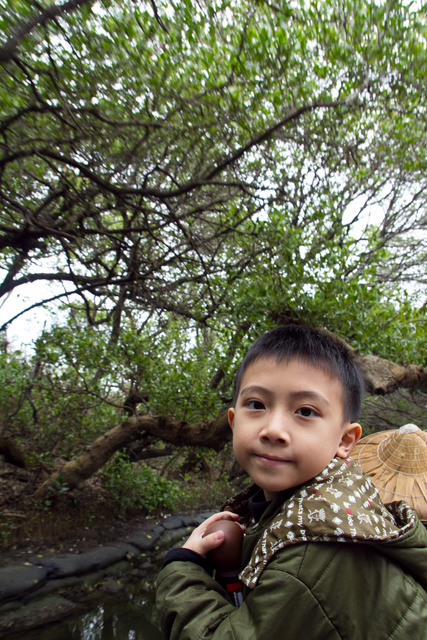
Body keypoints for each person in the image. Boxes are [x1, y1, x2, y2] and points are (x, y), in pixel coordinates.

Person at [156, 325, 427, 639]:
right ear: (233, 421)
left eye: (305, 411)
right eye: (256, 405)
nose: (273, 429)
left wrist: (182, 568)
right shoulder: (330, 497)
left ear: (344, 440)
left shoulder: (313, 554)